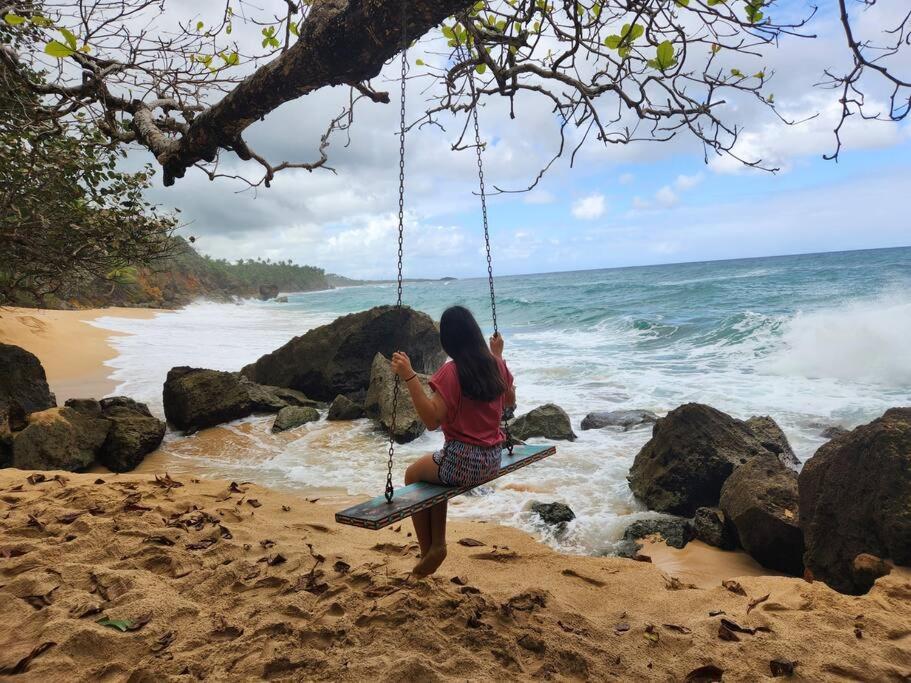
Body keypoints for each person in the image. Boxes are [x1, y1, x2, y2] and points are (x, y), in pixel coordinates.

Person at [391, 305, 516, 576]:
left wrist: (410, 376)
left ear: (448, 341)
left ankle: (431, 549)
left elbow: (431, 420)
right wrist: (498, 356)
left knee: (413, 475)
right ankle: (436, 544)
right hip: (491, 460)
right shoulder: (496, 365)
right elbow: (510, 401)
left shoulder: (451, 372)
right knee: (434, 474)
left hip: (461, 463)